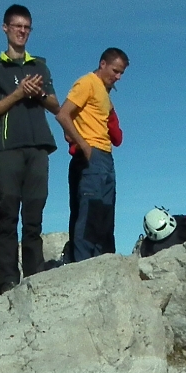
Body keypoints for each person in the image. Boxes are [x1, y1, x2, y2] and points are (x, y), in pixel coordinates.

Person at [0, 5, 60, 293]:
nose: (22, 31)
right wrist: (16, 94)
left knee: (34, 216)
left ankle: (35, 276)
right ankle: (7, 281)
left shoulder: (40, 66)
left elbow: (55, 105)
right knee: (7, 215)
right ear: (5, 28)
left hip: (39, 146)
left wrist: (38, 93)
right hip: (8, 149)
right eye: (17, 26)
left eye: (27, 27)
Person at [56, 48, 128, 262]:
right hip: (90, 156)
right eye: (115, 71)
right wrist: (83, 144)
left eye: (122, 73)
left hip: (106, 157)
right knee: (89, 214)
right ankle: (82, 264)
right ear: (103, 64)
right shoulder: (86, 82)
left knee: (105, 215)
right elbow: (63, 114)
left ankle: (102, 261)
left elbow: (115, 134)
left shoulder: (104, 93)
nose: (118, 77)